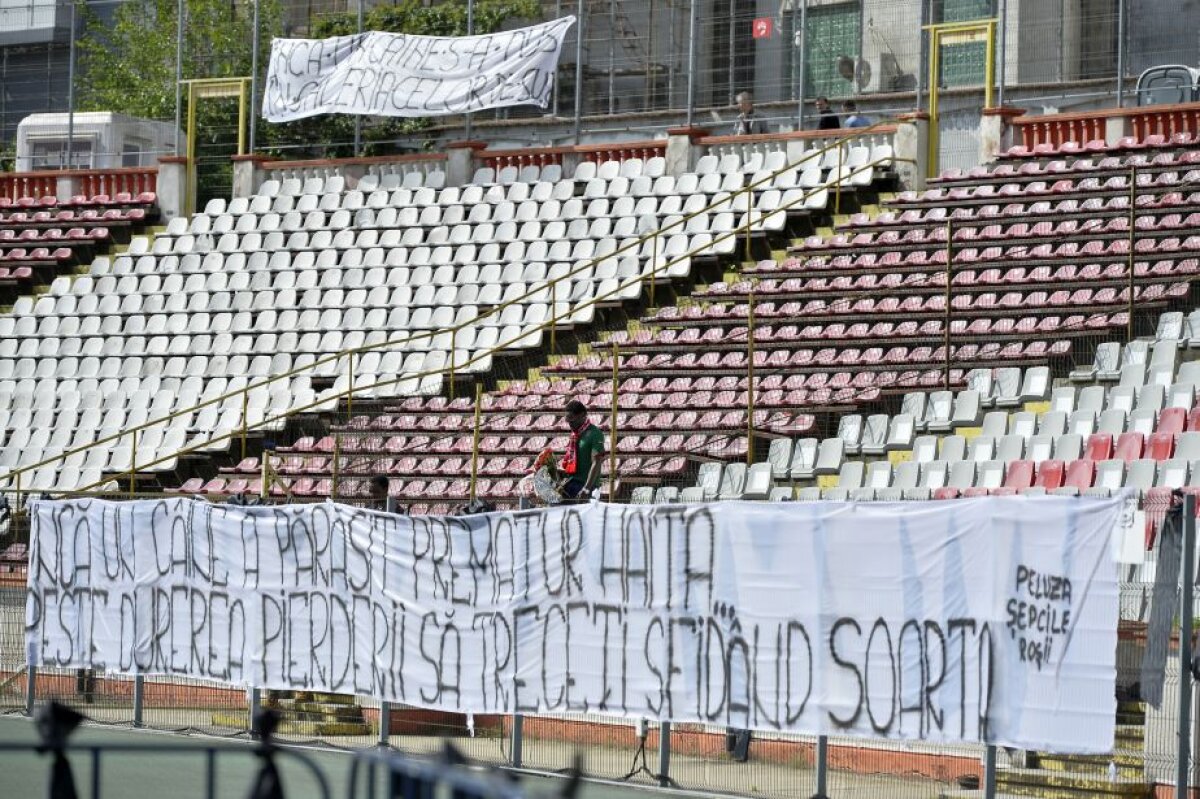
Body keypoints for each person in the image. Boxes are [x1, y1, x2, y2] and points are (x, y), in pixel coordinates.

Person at [556, 400, 606, 500]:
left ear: (582, 415)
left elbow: (596, 462)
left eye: (572, 420)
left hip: (585, 487)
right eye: (568, 421)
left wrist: (586, 489)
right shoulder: (575, 434)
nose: (570, 423)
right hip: (570, 483)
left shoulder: (595, 434)